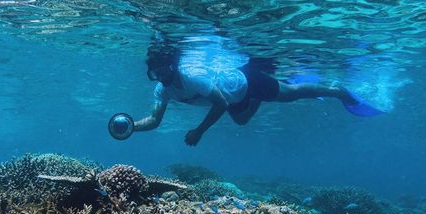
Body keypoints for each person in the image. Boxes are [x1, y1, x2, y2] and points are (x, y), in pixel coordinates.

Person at [133, 47, 380, 146]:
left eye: (164, 68)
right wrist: (131, 127)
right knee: (241, 120)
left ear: (174, 65)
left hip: (245, 80)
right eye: (155, 72)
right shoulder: (162, 89)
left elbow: (221, 104)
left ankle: (337, 91)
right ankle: (262, 93)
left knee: (292, 94)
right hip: (235, 94)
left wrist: (199, 131)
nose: (160, 75)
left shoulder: (193, 78)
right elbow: (155, 120)